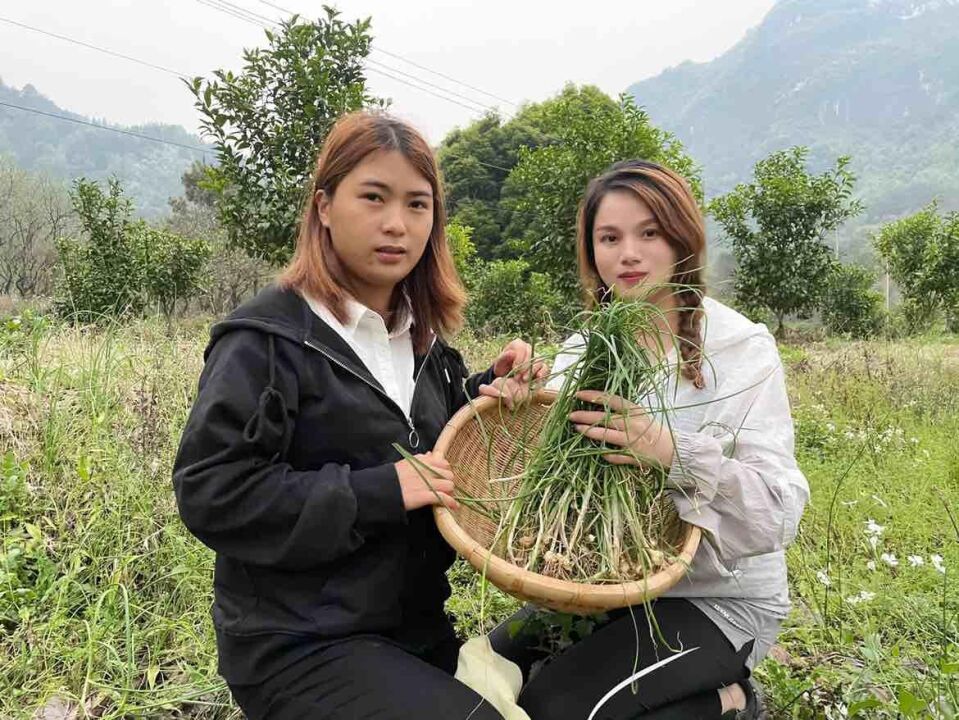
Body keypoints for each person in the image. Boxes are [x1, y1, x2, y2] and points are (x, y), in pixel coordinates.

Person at [173, 111, 539, 720]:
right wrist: (380, 490)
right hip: (299, 644)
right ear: (324, 206)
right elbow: (211, 491)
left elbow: (425, 439)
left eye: (418, 205)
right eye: (374, 197)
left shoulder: (423, 342)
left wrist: (486, 392)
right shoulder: (267, 341)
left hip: (410, 630)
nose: (397, 223)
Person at [490, 160, 809, 719]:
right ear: (591, 252)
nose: (628, 254)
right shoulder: (585, 348)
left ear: (682, 238)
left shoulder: (741, 350)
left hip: (718, 597)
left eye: (649, 233)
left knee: (556, 706)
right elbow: (550, 476)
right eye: (609, 238)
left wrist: (668, 450)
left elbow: (780, 514)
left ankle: (731, 701)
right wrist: (521, 396)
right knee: (485, 668)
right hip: (612, 584)